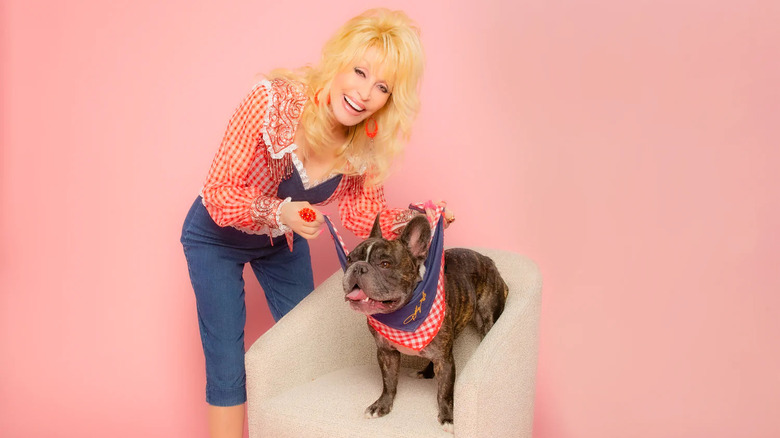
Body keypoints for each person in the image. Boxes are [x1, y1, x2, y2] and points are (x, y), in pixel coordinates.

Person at [180, 8, 453, 438]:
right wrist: (279, 212)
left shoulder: (364, 144)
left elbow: (366, 217)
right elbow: (218, 192)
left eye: (382, 87)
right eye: (360, 72)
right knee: (226, 358)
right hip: (215, 236)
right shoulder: (273, 104)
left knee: (307, 346)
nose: (364, 94)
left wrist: (424, 218)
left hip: (280, 242)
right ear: (339, 60)